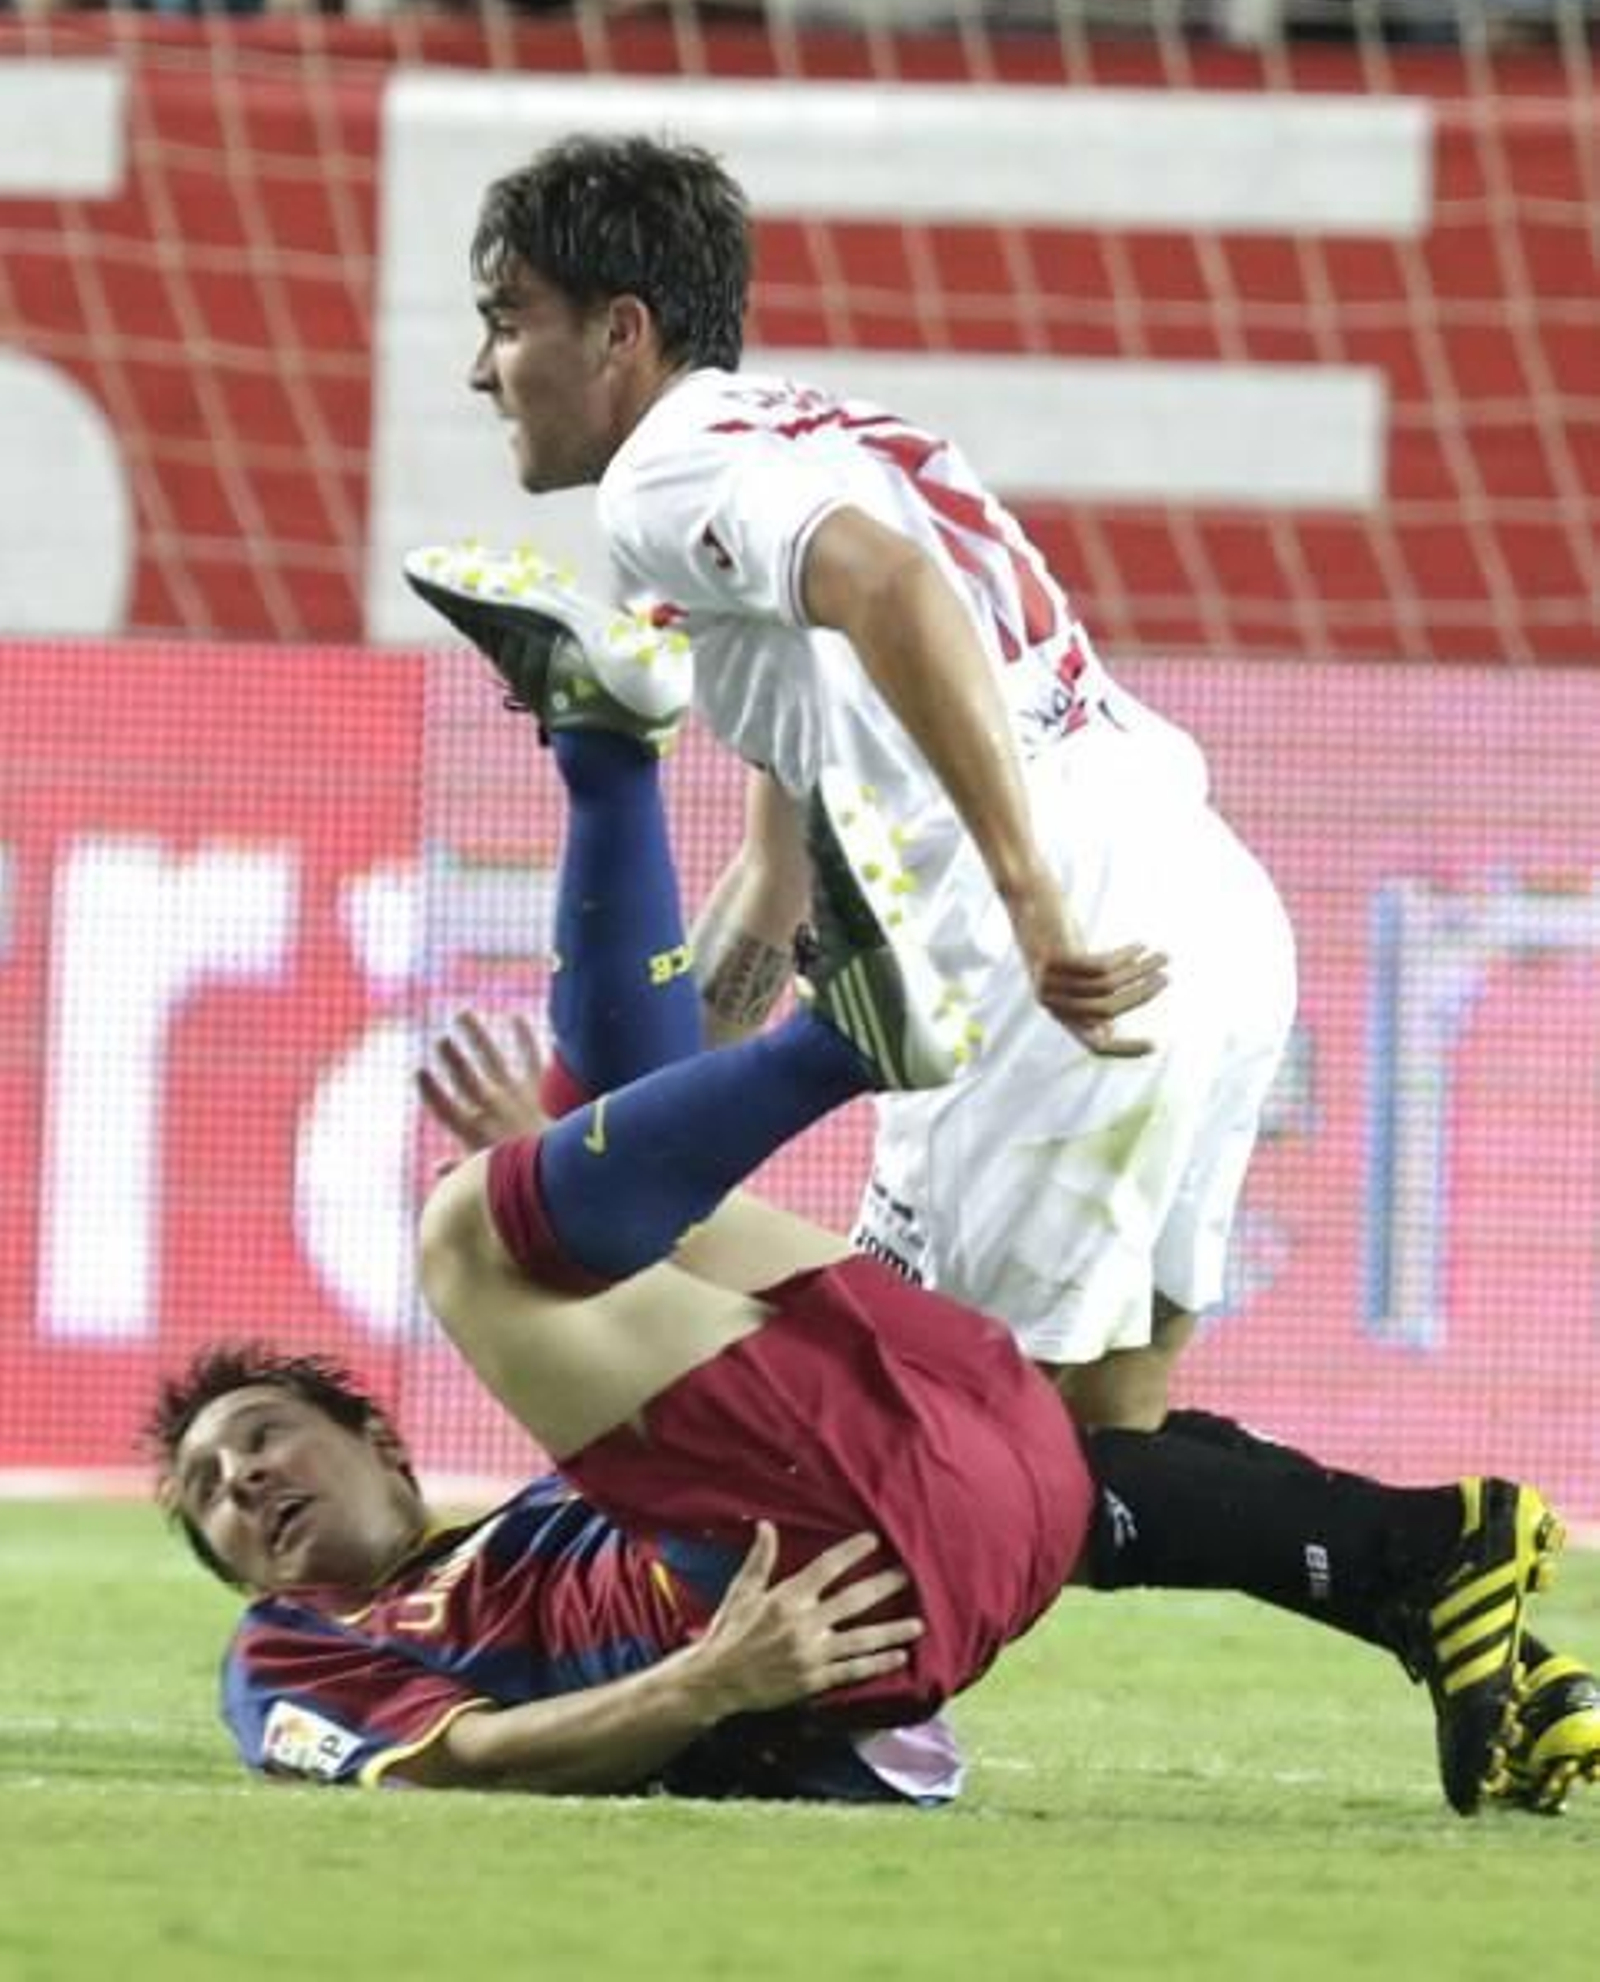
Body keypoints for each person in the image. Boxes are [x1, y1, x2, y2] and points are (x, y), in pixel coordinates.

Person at [151, 608, 1589, 1814]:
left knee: (583, 1200)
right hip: (868, 1562)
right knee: (478, 1232)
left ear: (376, 1437)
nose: (244, 1485)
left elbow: (666, 1212)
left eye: (259, 1436)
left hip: (995, 1465)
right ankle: (715, 885)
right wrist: (709, 1692)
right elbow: (460, 1764)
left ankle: (1420, 1554)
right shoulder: (288, 1655)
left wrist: (575, 1149)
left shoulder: (560, 1505)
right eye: (211, 1498)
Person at [403, 129, 1288, 1442]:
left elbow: (889, 582)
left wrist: (1030, 900)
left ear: (620, 332)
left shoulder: (667, 471)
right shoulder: (819, 440)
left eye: (508, 322)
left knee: (953, 1465)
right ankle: (1425, 1556)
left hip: (1043, 944)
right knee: (1101, 1439)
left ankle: (1418, 1552)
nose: (483, 369)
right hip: (1202, 897)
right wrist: (598, 1147)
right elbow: (774, 889)